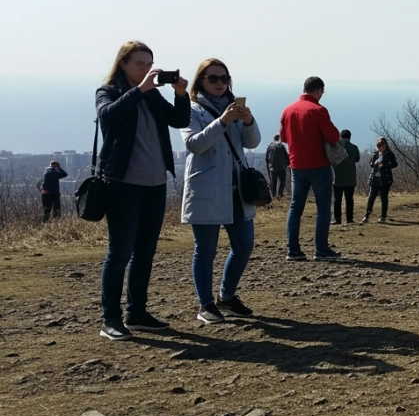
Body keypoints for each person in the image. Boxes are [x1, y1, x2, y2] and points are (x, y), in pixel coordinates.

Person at [95, 41, 190, 341]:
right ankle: (110, 319)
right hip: (122, 184)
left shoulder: (153, 95)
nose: (147, 69)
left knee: (145, 252)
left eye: (150, 64)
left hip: (154, 184)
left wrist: (181, 95)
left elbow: (180, 120)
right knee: (120, 252)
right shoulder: (108, 91)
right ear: (123, 63)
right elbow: (108, 116)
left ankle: (136, 312)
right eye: (140, 63)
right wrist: (140, 90)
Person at [180, 59, 260, 325]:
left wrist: (248, 122)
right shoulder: (191, 109)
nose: (219, 84)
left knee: (244, 244)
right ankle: (206, 304)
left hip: (237, 190)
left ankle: (227, 296)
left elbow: (253, 142)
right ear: (200, 80)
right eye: (213, 78)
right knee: (205, 249)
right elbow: (194, 144)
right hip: (207, 188)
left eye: (224, 79)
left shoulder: (234, 107)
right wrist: (223, 121)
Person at [279, 76, 342, 261]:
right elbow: (332, 136)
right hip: (319, 164)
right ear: (318, 90)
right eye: (322, 91)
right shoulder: (319, 110)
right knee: (323, 208)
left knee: (295, 208)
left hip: (297, 165)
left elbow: (283, 138)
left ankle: (293, 250)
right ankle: (321, 249)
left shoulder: (288, 110)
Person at [362, 137, 399, 223]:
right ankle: (367, 215)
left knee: (383, 197)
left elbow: (395, 164)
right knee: (371, 197)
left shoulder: (389, 154)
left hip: (385, 179)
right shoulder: (375, 154)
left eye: (382, 144)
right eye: (378, 145)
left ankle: (383, 216)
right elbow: (371, 163)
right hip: (375, 178)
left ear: (385, 144)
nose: (380, 147)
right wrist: (374, 164)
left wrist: (385, 164)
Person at [331, 129, 361, 225]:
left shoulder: (335, 146)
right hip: (350, 178)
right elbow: (357, 159)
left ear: (340, 136)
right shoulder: (354, 147)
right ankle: (349, 219)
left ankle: (337, 219)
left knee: (337, 199)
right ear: (349, 137)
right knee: (349, 199)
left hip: (338, 178)